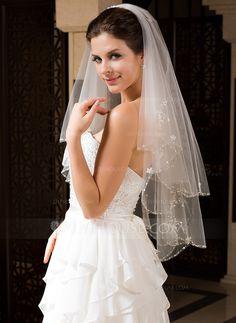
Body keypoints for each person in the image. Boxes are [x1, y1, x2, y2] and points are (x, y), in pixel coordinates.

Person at [39, 3, 210, 322]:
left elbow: (94, 208)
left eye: (115, 55)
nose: (105, 68)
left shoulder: (124, 117)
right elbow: (109, 195)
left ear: (142, 55)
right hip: (111, 245)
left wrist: (75, 136)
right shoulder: (149, 110)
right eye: (98, 58)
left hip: (99, 255)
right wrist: (70, 223)